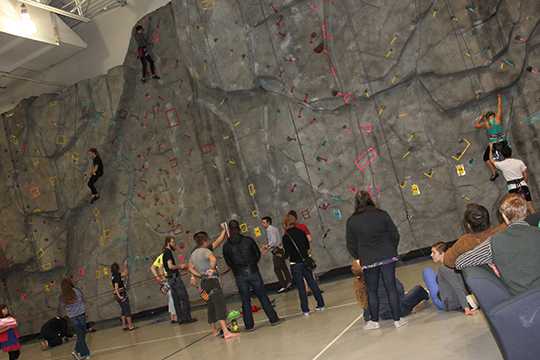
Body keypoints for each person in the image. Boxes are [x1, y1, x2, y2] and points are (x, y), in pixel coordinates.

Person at [455, 193, 540, 295]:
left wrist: (489, 261)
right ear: (526, 211)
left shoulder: (493, 242)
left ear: (503, 215)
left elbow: (460, 262)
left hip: (523, 299)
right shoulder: (537, 233)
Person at [346, 190, 407, 330]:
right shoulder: (382, 214)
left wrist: (360, 255)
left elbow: (350, 243)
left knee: (371, 290)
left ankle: (374, 321)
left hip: (368, 259)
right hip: (387, 255)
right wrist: (391, 249)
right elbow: (394, 234)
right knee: (390, 287)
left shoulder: (352, 220)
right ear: (370, 199)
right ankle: (397, 320)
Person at [223, 220, 286, 332]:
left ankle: (249, 325)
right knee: (262, 295)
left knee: (245, 299)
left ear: (230, 231)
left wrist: (238, 267)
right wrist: (251, 264)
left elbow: (228, 262)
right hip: (252, 271)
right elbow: (257, 254)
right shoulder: (248, 240)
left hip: (239, 275)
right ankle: (273, 319)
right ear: (239, 228)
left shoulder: (226, 246)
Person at [188, 232, 240, 339]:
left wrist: (201, 275)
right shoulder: (206, 251)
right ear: (205, 242)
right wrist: (211, 269)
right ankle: (226, 332)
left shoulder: (193, 254)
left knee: (211, 306)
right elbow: (213, 259)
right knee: (219, 305)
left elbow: (191, 268)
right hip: (212, 281)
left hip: (205, 282)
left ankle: (214, 331)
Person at [351, 260, 430, 321]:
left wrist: (369, 316)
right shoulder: (380, 275)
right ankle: (426, 294)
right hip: (398, 309)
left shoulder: (362, 282)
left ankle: (414, 305)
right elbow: (399, 289)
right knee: (418, 288)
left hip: (383, 315)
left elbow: (367, 307)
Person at [282, 214, 325, 316]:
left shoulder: (286, 237)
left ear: (285, 224)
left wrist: (284, 250)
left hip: (295, 264)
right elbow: (307, 246)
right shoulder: (301, 232)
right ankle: (321, 304)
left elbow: (287, 253)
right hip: (305, 262)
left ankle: (305, 309)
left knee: (301, 287)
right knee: (312, 283)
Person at [422, 242, 478, 316]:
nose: (431, 255)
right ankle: (426, 292)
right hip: (455, 296)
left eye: (434, 253)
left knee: (427, 271)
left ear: (443, 254)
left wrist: (466, 308)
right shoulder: (456, 262)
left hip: (444, 303)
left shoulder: (444, 268)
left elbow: (458, 288)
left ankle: (427, 293)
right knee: (438, 279)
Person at [444, 203, 506, 268]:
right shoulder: (505, 229)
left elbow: (448, 261)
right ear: (488, 219)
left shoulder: (463, 242)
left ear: (469, 226)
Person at [488, 143, 536, 214]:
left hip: (513, 189)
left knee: (518, 210)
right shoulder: (519, 162)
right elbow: (526, 176)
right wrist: (524, 183)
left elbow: (491, 159)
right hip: (523, 186)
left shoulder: (502, 164)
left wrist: (491, 147)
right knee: (530, 207)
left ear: (503, 155)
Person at [286, 210, 322, 296]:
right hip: (306, 252)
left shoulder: (287, 232)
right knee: (310, 270)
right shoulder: (302, 227)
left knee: (301, 275)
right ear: (297, 217)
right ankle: (315, 289)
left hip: (295, 257)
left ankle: (307, 290)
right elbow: (309, 239)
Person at [474, 93, 507, 180]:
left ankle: (494, 173)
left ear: (488, 117)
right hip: (502, 141)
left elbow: (476, 125)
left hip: (494, 144)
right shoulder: (497, 118)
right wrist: (499, 97)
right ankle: (508, 167)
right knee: (506, 154)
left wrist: (480, 117)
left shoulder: (487, 123)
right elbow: (499, 107)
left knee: (486, 158)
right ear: (493, 115)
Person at [163, 236, 196, 324]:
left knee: (176, 299)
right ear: (168, 243)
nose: (174, 244)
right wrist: (180, 266)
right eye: (173, 242)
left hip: (170, 279)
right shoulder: (168, 252)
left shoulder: (164, 253)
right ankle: (187, 317)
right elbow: (170, 266)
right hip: (175, 278)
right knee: (184, 297)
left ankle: (180, 318)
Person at [60, 277, 91, 359]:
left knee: (80, 334)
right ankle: (84, 353)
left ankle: (78, 351)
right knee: (82, 334)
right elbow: (84, 299)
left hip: (72, 317)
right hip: (81, 315)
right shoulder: (77, 290)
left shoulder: (62, 296)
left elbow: (64, 306)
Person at [261, 216, 292, 293]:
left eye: (264, 222)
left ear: (268, 223)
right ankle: (289, 282)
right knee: (283, 266)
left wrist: (267, 246)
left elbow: (273, 241)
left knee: (277, 268)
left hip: (277, 250)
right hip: (278, 250)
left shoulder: (271, 229)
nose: (262, 224)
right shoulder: (270, 229)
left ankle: (283, 285)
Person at [150, 245, 178, 324]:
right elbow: (160, 267)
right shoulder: (164, 256)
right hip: (167, 278)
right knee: (172, 297)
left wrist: (157, 277)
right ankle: (175, 316)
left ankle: (172, 316)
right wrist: (162, 277)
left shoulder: (159, 257)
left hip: (165, 279)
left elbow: (152, 267)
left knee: (170, 298)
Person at [111, 261, 137, 331]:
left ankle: (124, 325)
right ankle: (130, 326)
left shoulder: (115, 276)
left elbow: (125, 274)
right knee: (127, 310)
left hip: (118, 295)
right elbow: (116, 288)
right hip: (121, 294)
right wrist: (120, 296)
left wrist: (125, 266)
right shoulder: (116, 277)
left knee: (123, 310)